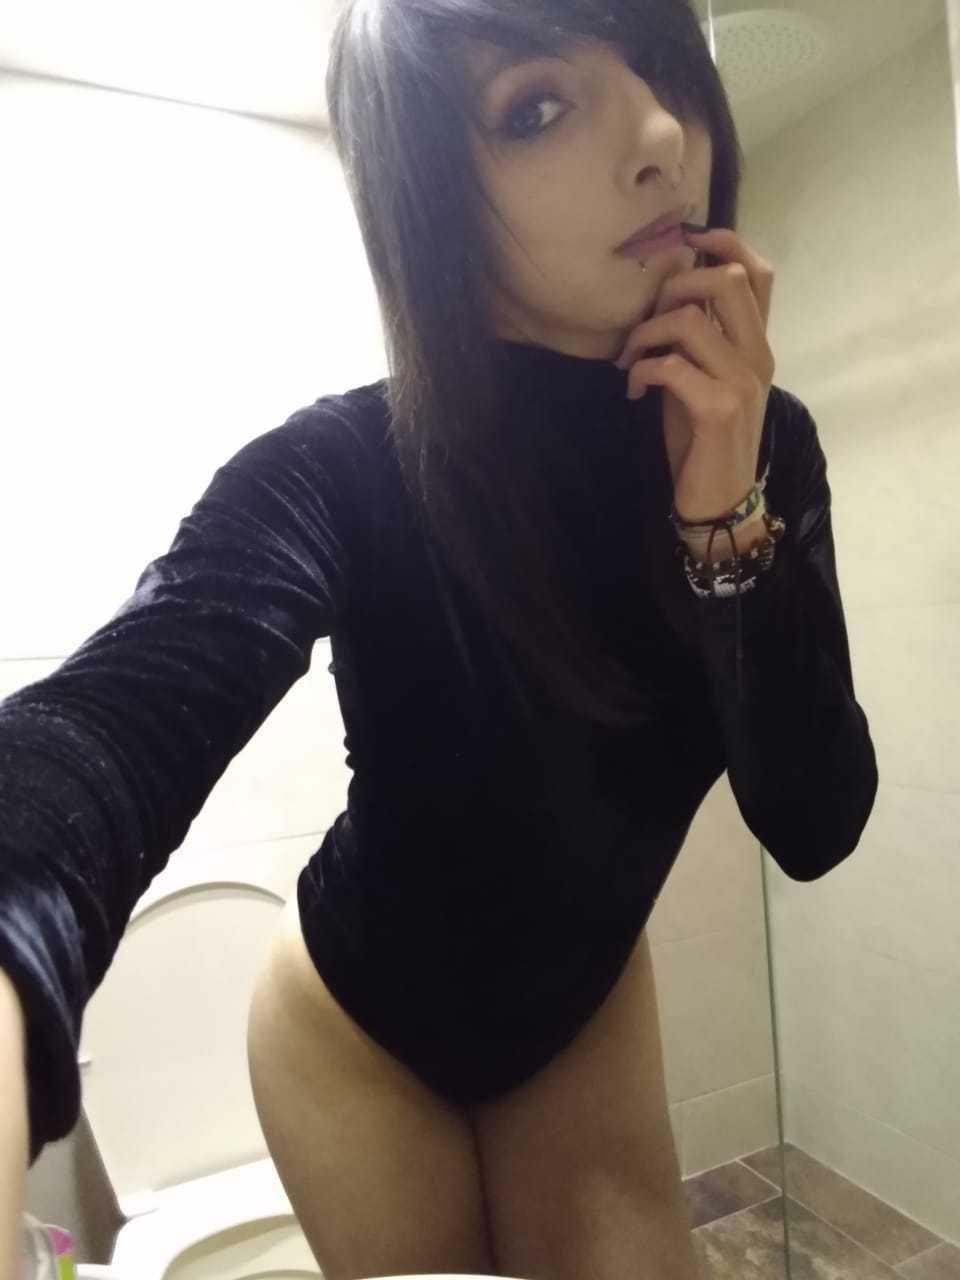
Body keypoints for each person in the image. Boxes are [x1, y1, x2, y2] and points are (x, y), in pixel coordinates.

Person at [0, 1, 879, 1277]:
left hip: (583, 1003)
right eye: (537, 108)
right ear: (432, 195)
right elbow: (110, 718)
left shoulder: (770, 441)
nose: (658, 134)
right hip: (354, 1027)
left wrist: (724, 510)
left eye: (656, 66)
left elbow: (816, 819)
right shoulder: (347, 463)